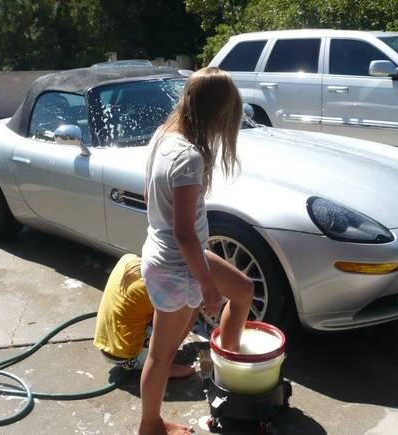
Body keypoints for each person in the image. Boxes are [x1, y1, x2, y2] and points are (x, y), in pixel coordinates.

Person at [139, 67, 254, 435]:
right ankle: (150, 426)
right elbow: (185, 234)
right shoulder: (188, 156)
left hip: (175, 256)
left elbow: (159, 208)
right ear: (217, 114)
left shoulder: (165, 134)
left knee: (243, 290)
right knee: (160, 355)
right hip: (177, 265)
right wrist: (207, 288)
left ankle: (230, 369)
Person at [94, 253, 196, 378]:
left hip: (106, 345)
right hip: (127, 357)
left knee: (175, 306)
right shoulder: (154, 288)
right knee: (192, 305)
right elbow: (171, 322)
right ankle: (161, 367)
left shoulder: (129, 259)